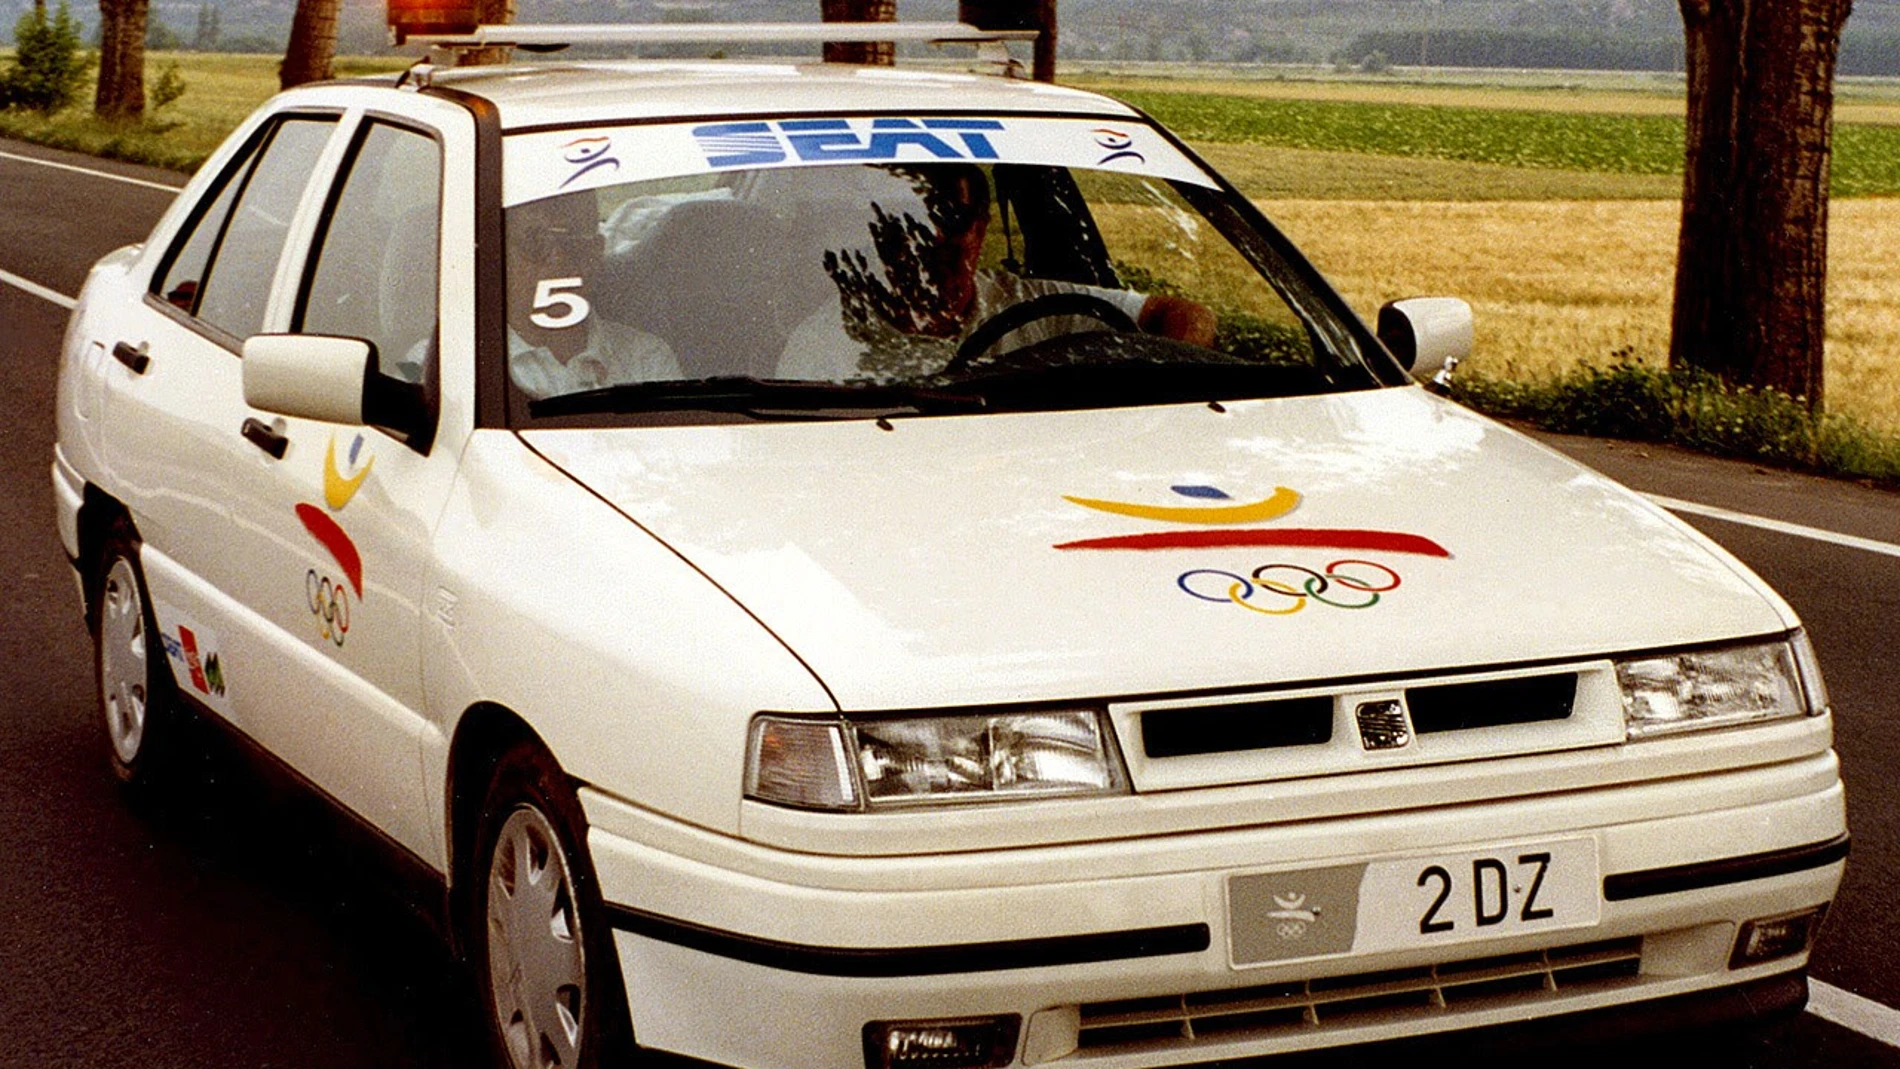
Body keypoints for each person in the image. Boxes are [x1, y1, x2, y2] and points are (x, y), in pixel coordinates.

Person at [777, 164, 1217, 381]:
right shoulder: (821, 345)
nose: (932, 237)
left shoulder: (1031, 301)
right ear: (881, 236)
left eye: (951, 218)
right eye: (911, 220)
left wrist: (1160, 382)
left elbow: (1184, 314)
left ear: (981, 230)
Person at [506, 192, 681, 399]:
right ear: (502, 254)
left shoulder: (646, 358)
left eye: (574, 241)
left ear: (596, 253)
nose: (558, 260)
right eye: (535, 241)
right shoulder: (470, 364)